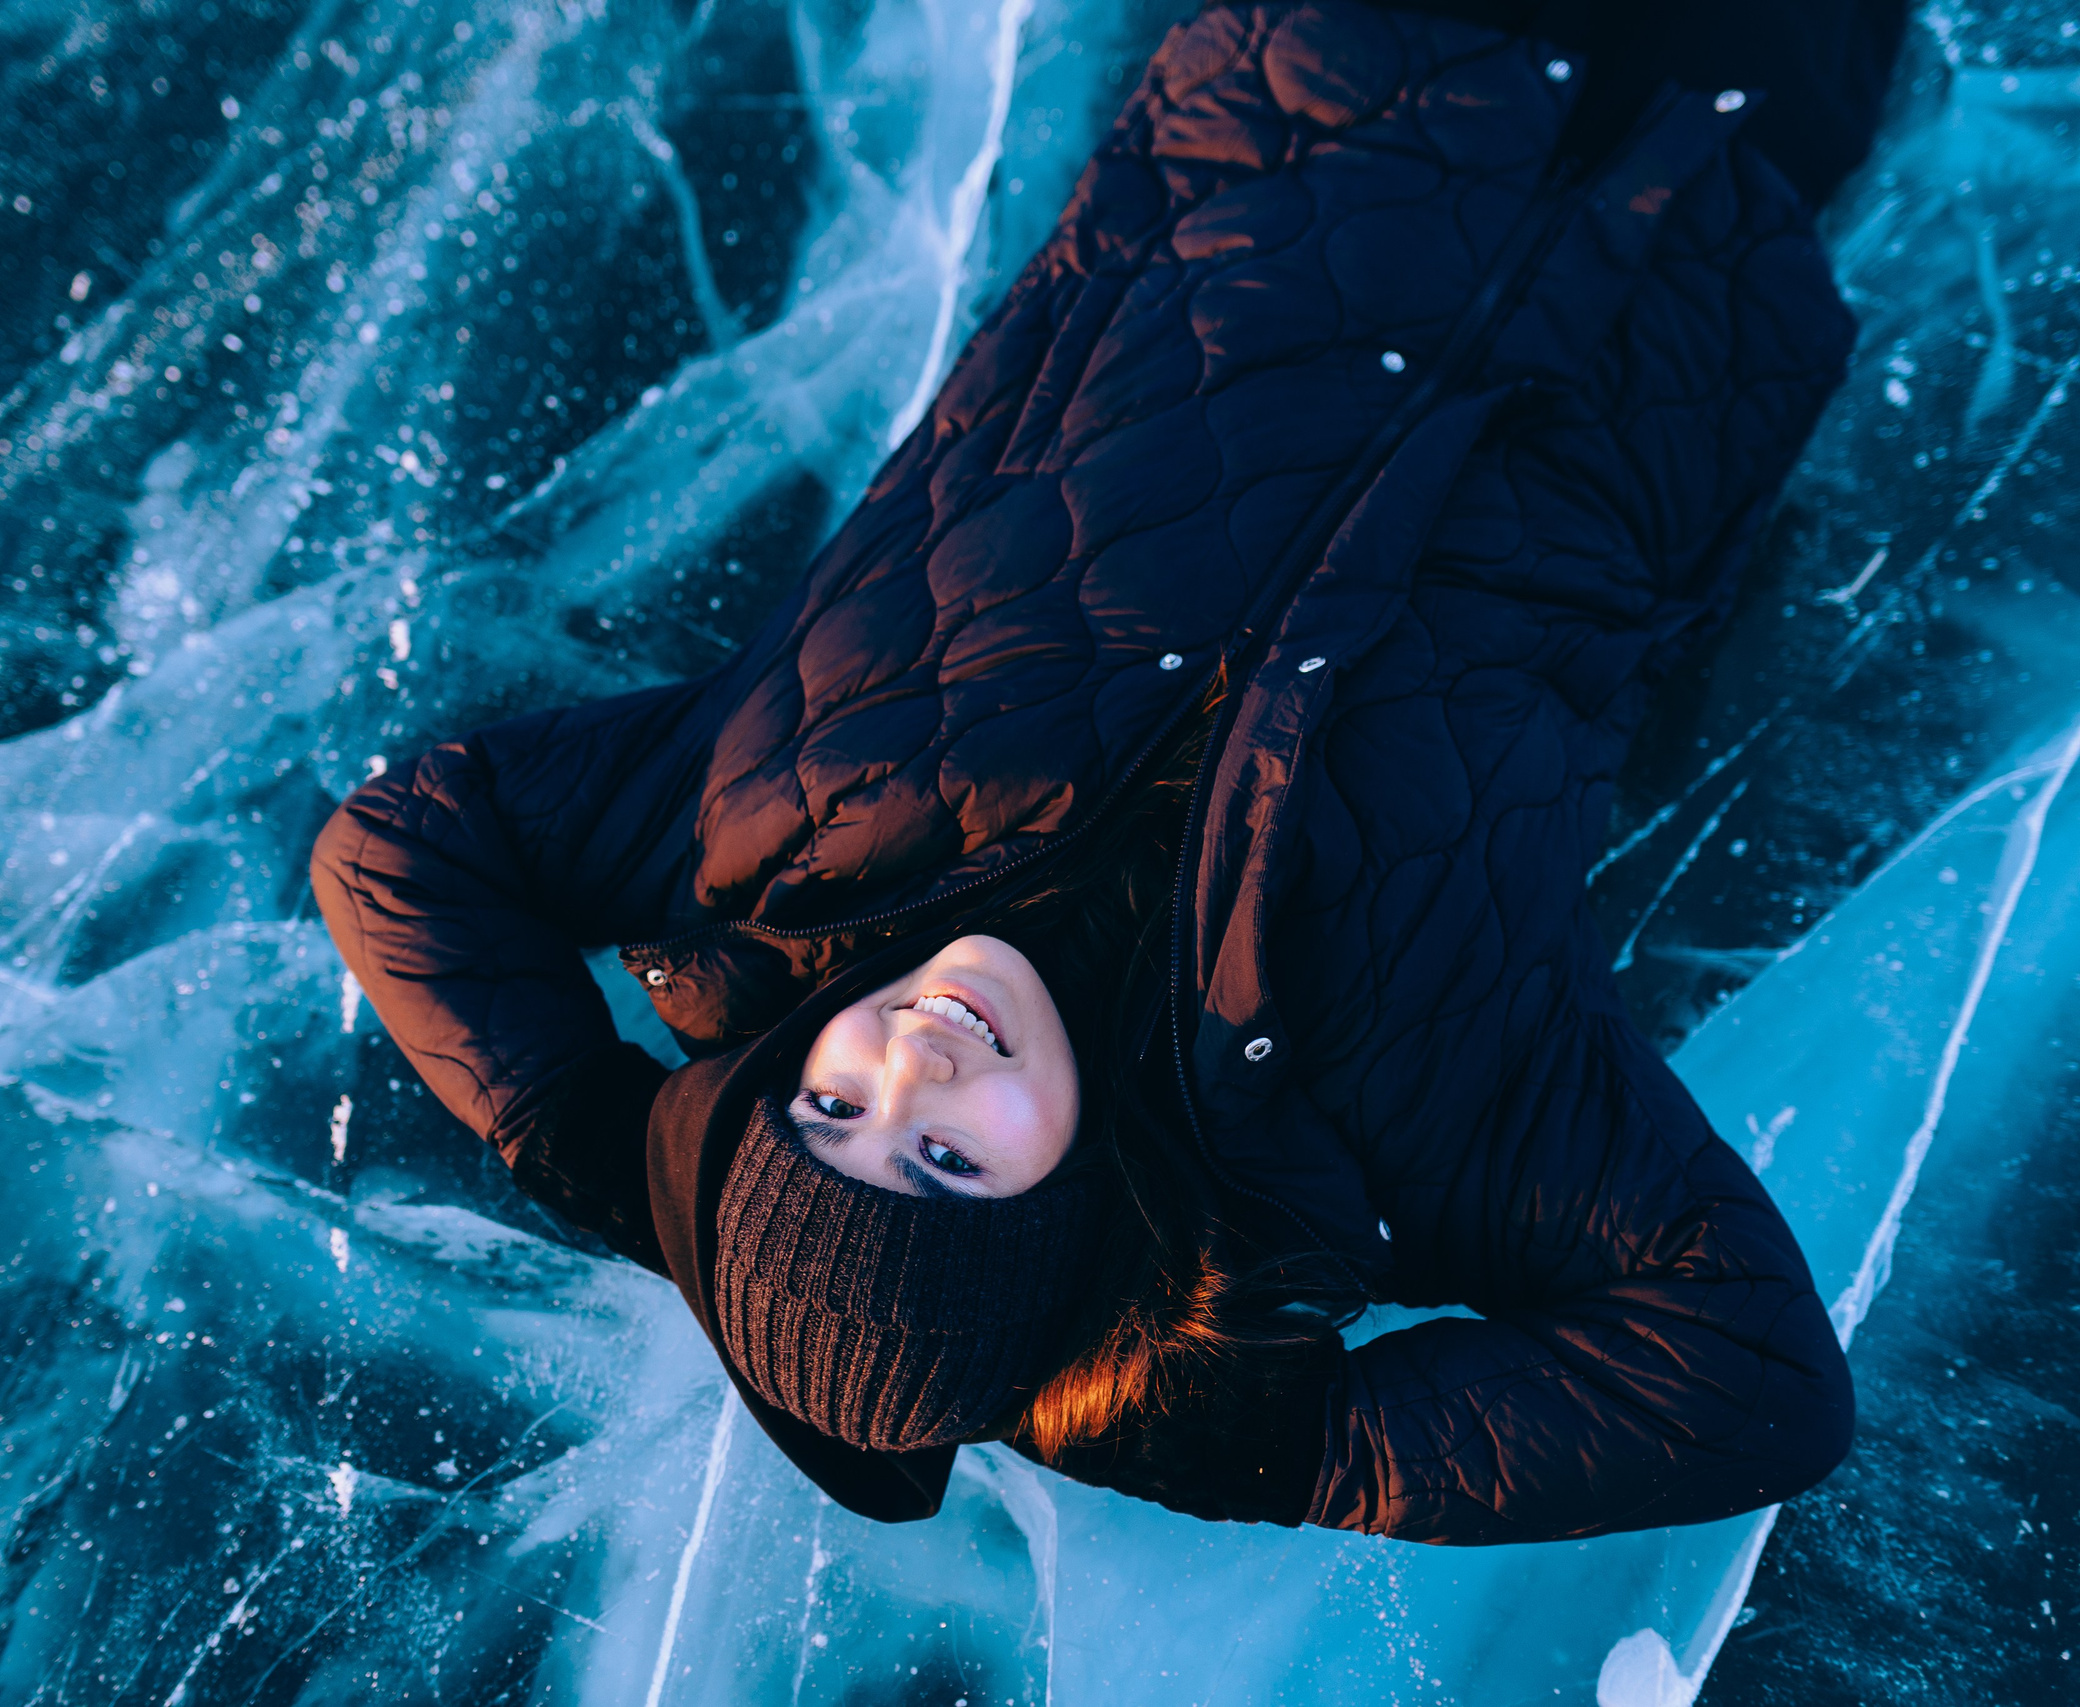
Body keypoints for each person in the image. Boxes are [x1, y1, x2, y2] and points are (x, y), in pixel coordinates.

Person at [313, 0, 1907, 1545]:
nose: (911, 1067)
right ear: (1075, 1230)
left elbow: (399, 853)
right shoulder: (1408, 1109)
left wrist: (616, 1161)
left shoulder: (765, 827)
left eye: (829, 1108)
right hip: (1697, 232)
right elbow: (1748, 1378)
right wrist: (1270, 1447)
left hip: (1338, 85)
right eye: (950, 1162)